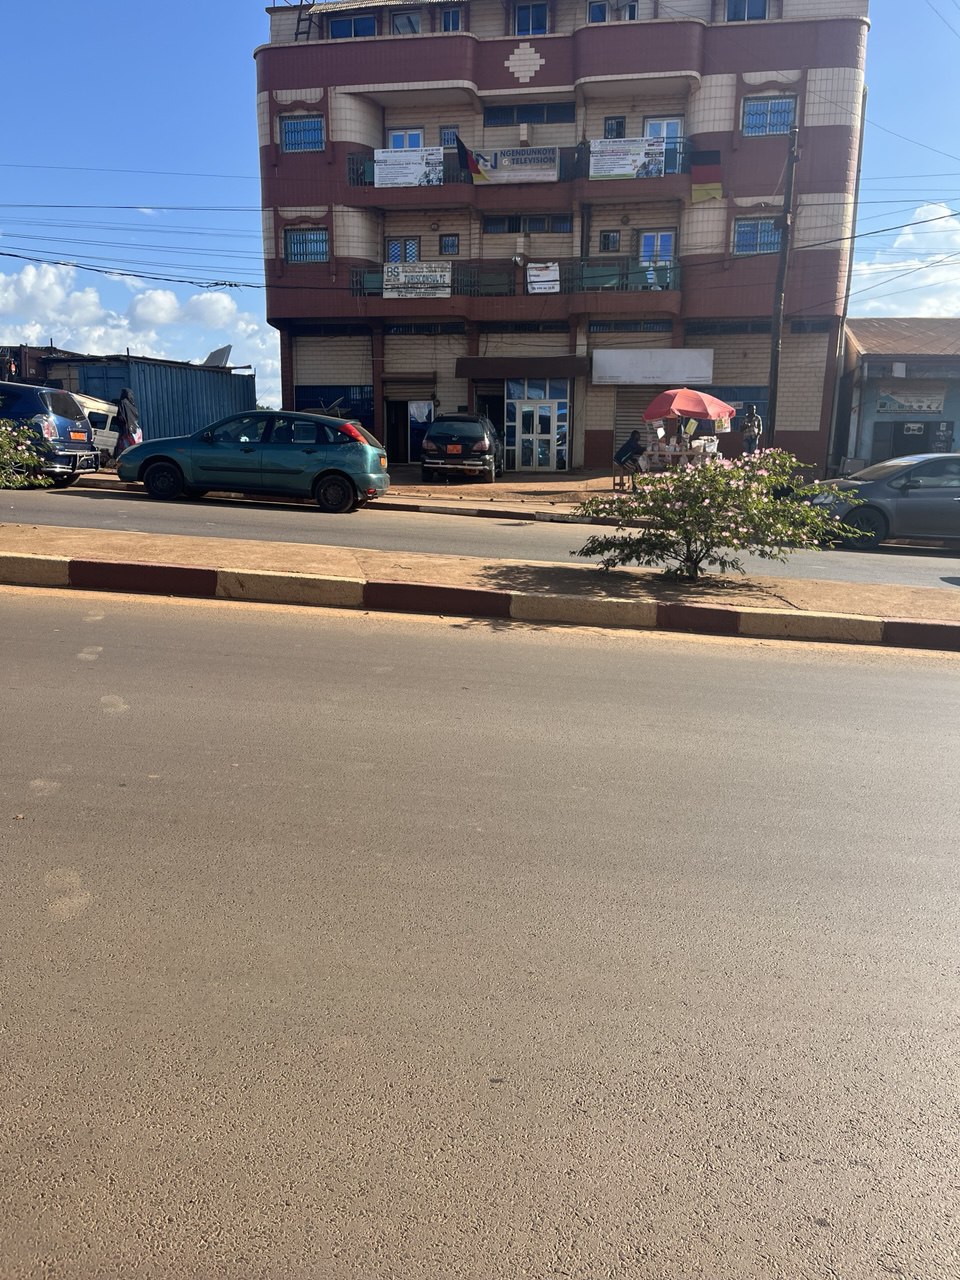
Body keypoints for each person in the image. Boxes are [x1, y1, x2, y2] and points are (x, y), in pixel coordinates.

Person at [112, 388, 142, 461]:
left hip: (128, 431)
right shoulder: (132, 405)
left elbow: (121, 416)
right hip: (136, 430)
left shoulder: (122, 403)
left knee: (127, 449)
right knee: (136, 448)